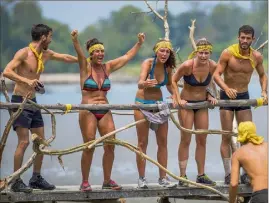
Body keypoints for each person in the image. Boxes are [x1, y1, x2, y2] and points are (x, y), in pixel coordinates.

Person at [3, 24, 78, 193]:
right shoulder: (24, 53)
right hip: (19, 101)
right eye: (50, 37)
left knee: (41, 143)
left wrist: (84, 59)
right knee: (23, 141)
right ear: (43, 37)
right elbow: (7, 71)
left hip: (34, 102)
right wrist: (26, 81)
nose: (51, 40)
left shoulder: (45, 54)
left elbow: (65, 57)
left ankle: (35, 178)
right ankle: (16, 180)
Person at [70, 29, 145, 191]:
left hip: (105, 109)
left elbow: (126, 57)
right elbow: (79, 52)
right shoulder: (85, 66)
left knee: (110, 144)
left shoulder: (107, 67)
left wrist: (139, 44)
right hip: (87, 110)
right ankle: (84, 182)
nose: (100, 54)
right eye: (97, 51)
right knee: (89, 145)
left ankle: (107, 180)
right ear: (91, 53)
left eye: (102, 51)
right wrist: (75, 40)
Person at [213, 25, 268, 185]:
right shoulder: (228, 53)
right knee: (226, 135)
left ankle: (246, 173)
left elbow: (263, 76)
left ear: (253, 39)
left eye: (248, 38)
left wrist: (264, 92)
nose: (244, 41)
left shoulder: (256, 56)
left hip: (244, 96)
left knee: (247, 136)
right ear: (238, 37)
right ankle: (228, 173)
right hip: (227, 98)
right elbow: (216, 74)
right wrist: (226, 88)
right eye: (242, 37)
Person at [172, 38, 217, 186]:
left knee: (202, 139)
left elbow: (213, 80)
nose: (204, 56)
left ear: (210, 53)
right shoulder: (187, 65)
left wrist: (211, 94)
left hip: (202, 104)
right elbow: (173, 80)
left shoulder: (212, 66)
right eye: (201, 53)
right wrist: (178, 98)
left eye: (206, 53)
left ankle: (201, 175)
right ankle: (182, 176)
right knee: (186, 139)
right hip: (187, 104)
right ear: (196, 52)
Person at [134, 40, 177, 189]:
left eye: (167, 51)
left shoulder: (168, 67)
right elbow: (139, 82)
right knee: (142, 143)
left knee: (163, 141)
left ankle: (163, 178)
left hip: (159, 105)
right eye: (162, 51)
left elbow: (170, 84)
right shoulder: (148, 63)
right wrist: (144, 84)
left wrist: (177, 96)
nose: (164, 54)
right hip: (142, 104)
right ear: (156, 51)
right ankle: (142, 178)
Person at [229, 121, 267, 203]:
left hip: (261, 196)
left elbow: (234, 184)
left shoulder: (238, 153)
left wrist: (231, 201)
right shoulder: (267, 146)